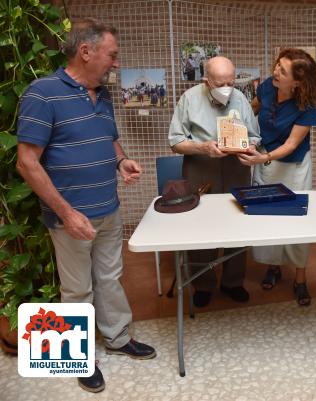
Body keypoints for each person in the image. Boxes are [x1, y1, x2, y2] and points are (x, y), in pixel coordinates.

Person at [16, 18, 155, 393]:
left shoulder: (102, 94)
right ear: (86, 51)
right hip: (70, 217)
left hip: (108, 208)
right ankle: (77, 357)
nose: (116, 63)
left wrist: (120, 160)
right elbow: (27, 162)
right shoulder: (42, 93)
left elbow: (108, 138)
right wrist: (67, 213)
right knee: (77, 291)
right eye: (112, 55)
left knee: (109, 278)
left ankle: (118, 337)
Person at [169, 56, 260, 308]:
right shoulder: (189, 99)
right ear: (206, 81)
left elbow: (255, 134)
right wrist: (202, 147)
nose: (227, 88)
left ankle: (233, 281)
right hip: (201, 167)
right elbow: (175, 141)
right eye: (221, 83)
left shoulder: (240, 99)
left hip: (236, 169)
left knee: (237, 224)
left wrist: (249, 145)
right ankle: (203, 282)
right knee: (201, 226)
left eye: (231, 82)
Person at [237, 48, 316, 306]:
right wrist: (238, 135)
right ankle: (273, 266)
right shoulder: (266, 87)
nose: (275, 71)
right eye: (277, 65)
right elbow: (250, 112)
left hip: (293, 167)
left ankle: (300, 278)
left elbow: (291, 144)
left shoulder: (307, 107)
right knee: (268, 218)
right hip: (265, 162)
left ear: (298, 82)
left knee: (296, 221)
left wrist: (261, 158)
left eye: (282, 71)